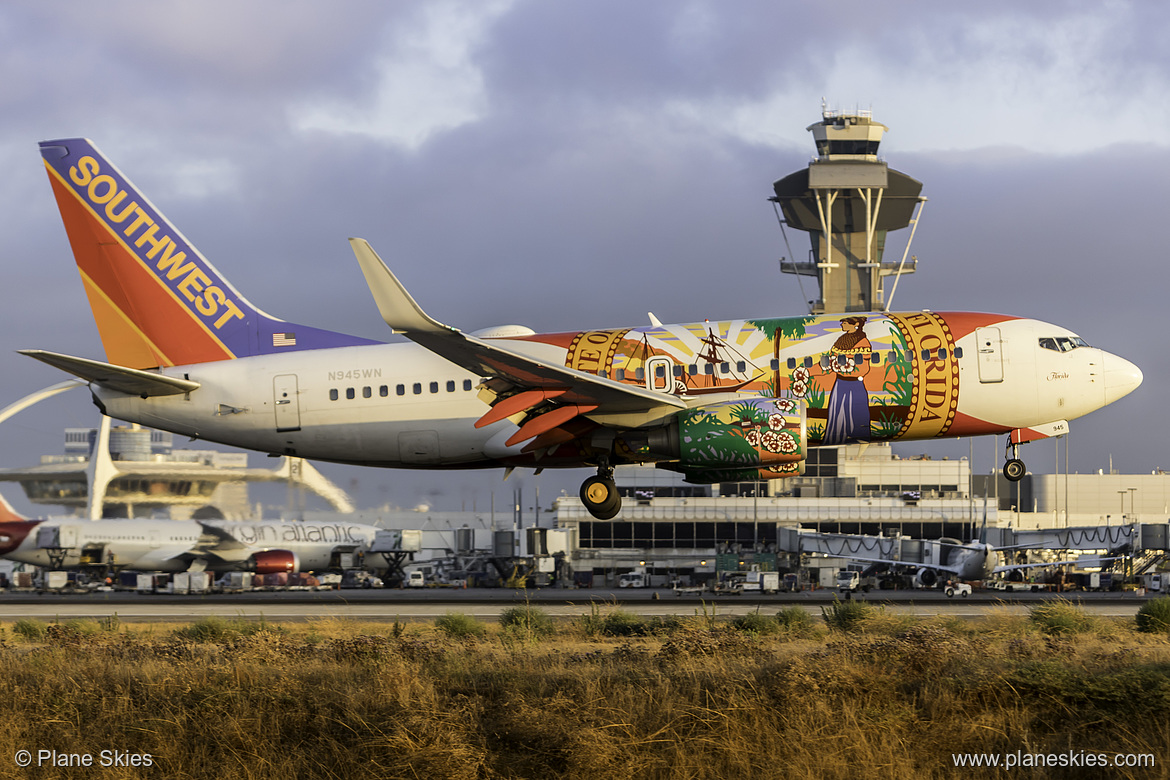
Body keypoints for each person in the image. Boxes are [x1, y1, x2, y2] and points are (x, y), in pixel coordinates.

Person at [822, 316, 872, 444]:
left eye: (844, 323)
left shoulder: (862, 342)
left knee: (856, 417)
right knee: (837, 416)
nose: (842, 325)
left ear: (854, 324)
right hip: (840, 384)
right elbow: (830, 361)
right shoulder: (841, 340)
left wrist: (845, 369)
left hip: (854, 385)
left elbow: (864, 368)